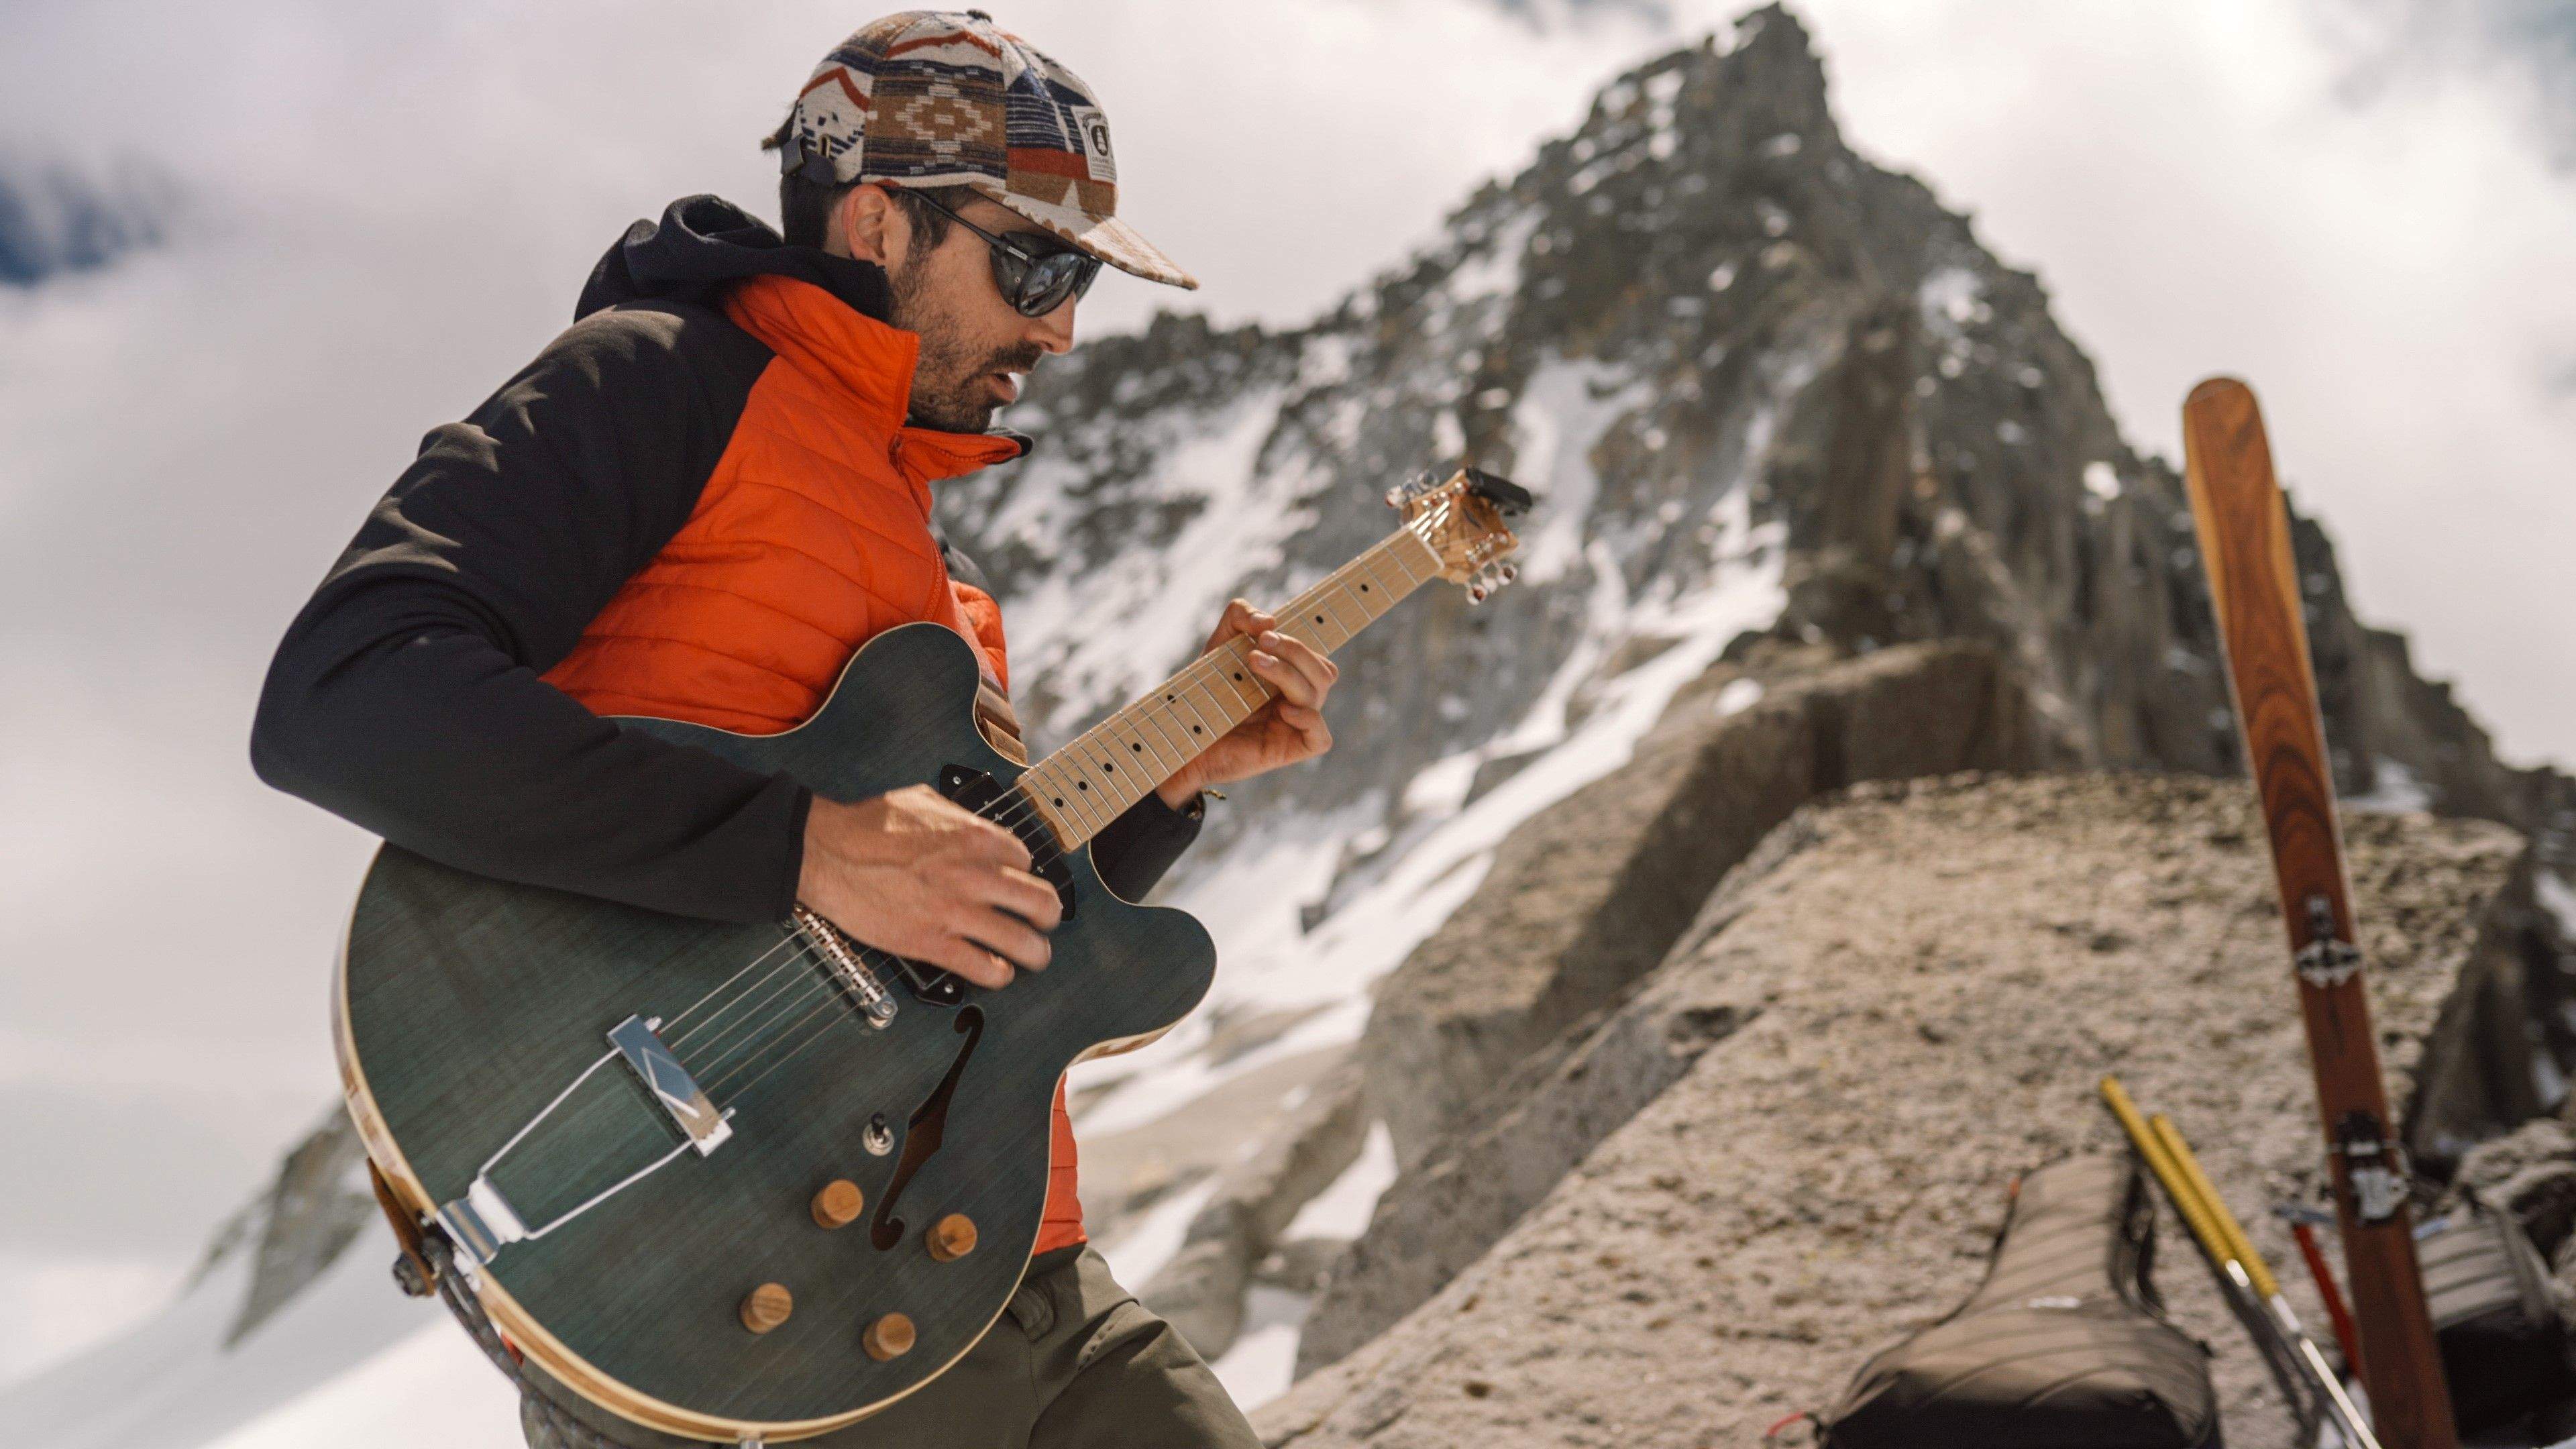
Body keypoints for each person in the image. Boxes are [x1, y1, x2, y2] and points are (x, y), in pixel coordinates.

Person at [250, 11, 1331, 1446]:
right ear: (880, 219)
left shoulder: (930, 559)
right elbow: (347, 695)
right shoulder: (654, 379)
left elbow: (949, 938)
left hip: (1008, 1265)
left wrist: (1170, 787)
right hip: (746, 1320)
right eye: (1038, 262)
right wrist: (804, 847)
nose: (1062, 326)